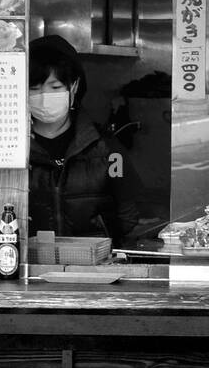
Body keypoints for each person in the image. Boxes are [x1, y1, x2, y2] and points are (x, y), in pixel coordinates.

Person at [26, 35, 141, 244]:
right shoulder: (11, 149)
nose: (43, 97)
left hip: (92, 264)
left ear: (74, 86)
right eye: (34, 89)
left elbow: (128, 213)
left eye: (55, 87)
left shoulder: (106, 148)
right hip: (27, 264)